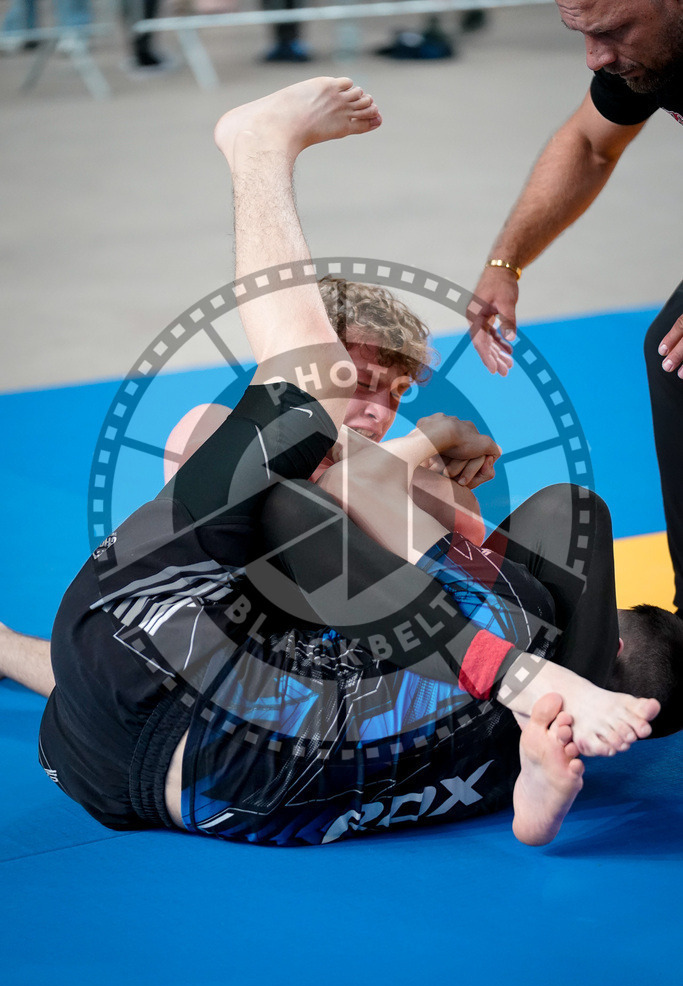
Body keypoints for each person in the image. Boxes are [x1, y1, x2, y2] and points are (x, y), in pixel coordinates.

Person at [6, 79, 662, 850]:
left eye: (394, 394)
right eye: (360, 379)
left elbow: (445, 565)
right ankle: (534, 690)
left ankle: (258, 150)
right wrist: (421, 445)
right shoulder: (241, 443)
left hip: (143, 756)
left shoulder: (403, 502)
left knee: (305, 502)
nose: (374, 406)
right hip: (181, 748)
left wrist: (417, 454)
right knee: (289, 461)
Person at [468, 0, 683, 616]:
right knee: (673, 355)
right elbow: (590, 144)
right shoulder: (651, 54)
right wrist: (506, 261)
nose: (595, 58)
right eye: (582, 33)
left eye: (613, 31)